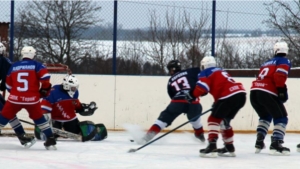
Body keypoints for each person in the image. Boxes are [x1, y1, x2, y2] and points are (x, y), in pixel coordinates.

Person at [185, 56, 246, 157]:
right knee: (224, 121)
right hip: (240, 95)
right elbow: (220, 85)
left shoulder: (205, 72)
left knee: (213, 119)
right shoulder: (221, 71)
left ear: (204, 65)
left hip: (228, 96)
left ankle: (212, 144)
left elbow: (202, 87)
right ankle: (229, 147)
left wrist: (192, 95)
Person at [135, 60, 205, 144]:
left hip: (177, 101)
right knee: (195, 120)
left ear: (172, 69)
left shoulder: (171, 80)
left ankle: (146, 138)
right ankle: (201, 137)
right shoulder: (192, 71)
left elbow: (172, 96)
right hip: (194, 102)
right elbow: (203, 74)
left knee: (162, 120)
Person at [0, 46, 56, 150]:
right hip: (32, 99)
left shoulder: (14, 66)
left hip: (15, 99)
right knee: (39, 118)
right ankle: (50, 137)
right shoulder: (37, 65)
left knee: (4, 116)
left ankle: (21, 135)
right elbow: (45, 78)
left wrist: (14, 93)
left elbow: (8, 85)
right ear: (33, 54)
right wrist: (44, 90)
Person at [34, 74, 107, 142]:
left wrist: (82, 108)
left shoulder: (75, 92)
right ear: (66, 86)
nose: (75, 89)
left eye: (75, 87)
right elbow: (44, 110)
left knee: (83, 131)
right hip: (55, 120)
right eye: (73, 88)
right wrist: (45, 123)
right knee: (47, 134)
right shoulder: (52, 93)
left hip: (70, 120)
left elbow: (75, 104)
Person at [250, 41, 291, 155]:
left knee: (265, 116)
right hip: (267, 92)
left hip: (254, 92)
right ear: (286, 51)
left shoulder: (266, 63)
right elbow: (279, 75)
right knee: (281, 117)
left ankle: (259, 141)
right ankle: (276, 143)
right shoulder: (284, 61)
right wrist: (281, 90)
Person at [0, 43, 38, 147]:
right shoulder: (3, 61)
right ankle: (22, 136)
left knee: (8, 112)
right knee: (8, 113)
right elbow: (9, 75)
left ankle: (22, 136)